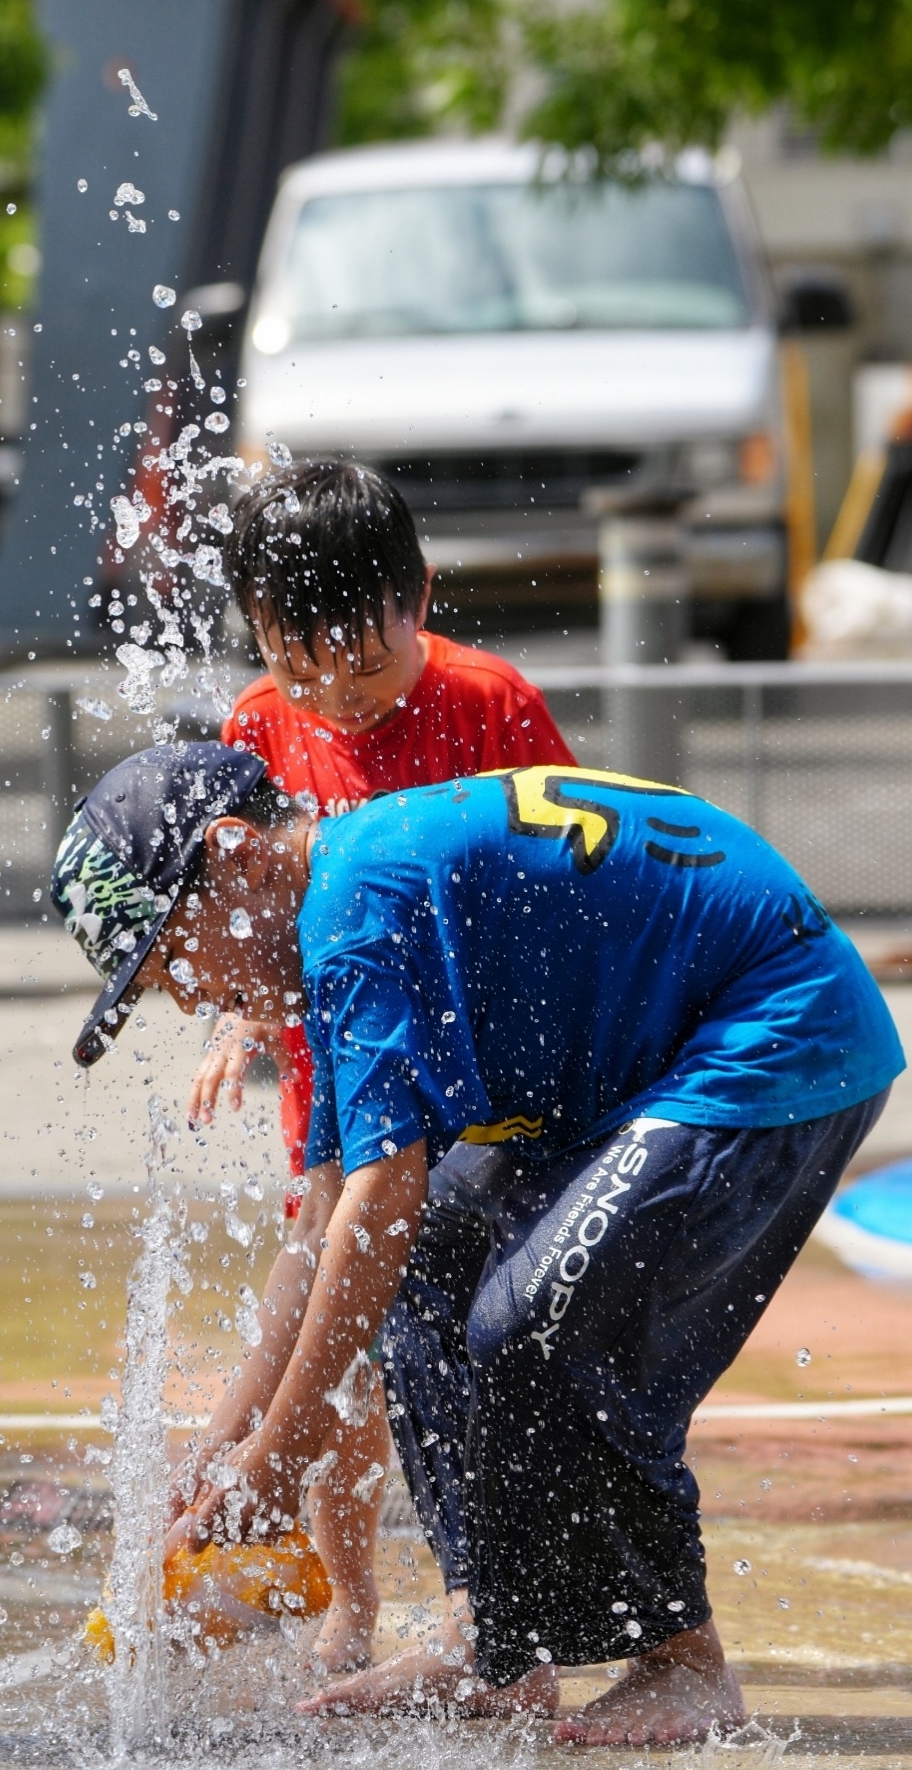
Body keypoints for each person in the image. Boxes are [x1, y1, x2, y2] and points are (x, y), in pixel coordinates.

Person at [52, 741, 905, 1743]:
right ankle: (494, 1647)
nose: (192, 1000)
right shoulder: (331, 918)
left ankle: (682, 1660)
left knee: (534, 1321)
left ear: (236, 853)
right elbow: (325, 1224)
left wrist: (280, 1463)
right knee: (427, 1268)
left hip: (771, 1030)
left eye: (174, 955)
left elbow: (380, 1197)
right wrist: (225, 1447)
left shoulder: (348, 910)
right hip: (653, 1063)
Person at [184, 457, 573, 1670]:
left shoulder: (488, 700)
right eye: (300, 663)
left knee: (467, 1336)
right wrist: (237, 1021)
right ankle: (347, 1597)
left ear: (423, 594)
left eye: (360, 659)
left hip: (485, 1077)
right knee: (333, 1340)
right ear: (259, 635)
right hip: (337, 1078)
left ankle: (489, 1611)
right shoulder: (258, 721)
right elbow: (243, 904)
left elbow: (563, 879)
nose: (333, 696)